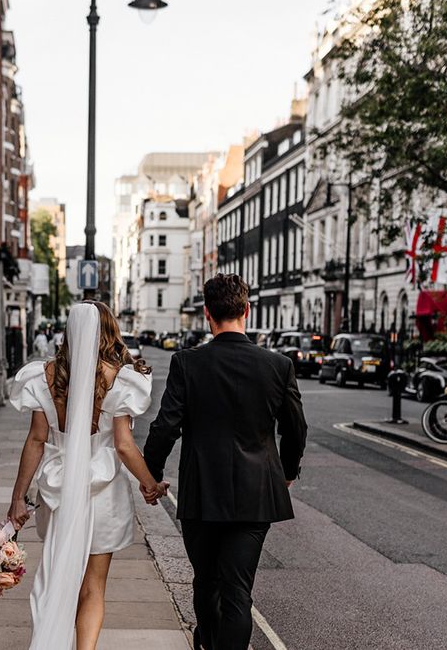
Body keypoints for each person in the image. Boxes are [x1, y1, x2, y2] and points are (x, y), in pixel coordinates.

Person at [143, 273, 307, 650]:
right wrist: (288, 470)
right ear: (246, 310)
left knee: (206, 581)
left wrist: (151, 475)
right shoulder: (278, 365)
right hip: (256, 495)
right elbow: (296, 428)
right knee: (237, 591)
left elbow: (165, 426)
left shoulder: (187, 363)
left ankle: (208, 641)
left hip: (202, 494)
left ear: (207, 314)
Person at [8, 301, 168, 650]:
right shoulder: (121, 379)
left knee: (62, 578)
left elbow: (36, 439)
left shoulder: (44, 376)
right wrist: (150, 483)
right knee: (94, 586)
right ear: (108, 330)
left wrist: (18, 497)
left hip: (58, 489)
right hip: (103, 491)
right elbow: (124, 446)